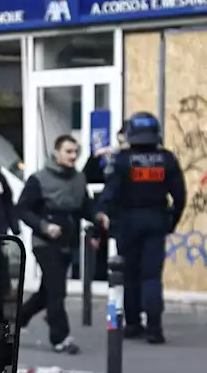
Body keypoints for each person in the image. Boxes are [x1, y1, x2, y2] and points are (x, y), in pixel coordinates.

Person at [16, 135, 108, 355]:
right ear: (56, 153)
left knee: (48, 290)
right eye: (68, 152)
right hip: (44, 243)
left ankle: (17, 319)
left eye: (75, 152)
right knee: (57, 290)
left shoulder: (78, 179)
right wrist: (44, 226)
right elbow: (22, 209)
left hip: (69, 241)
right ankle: (61, 338)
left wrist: (97, 217)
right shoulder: (39, 179)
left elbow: (85, 206)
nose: (73, 156)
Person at [101, 113, 186, 344]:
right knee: (151, 276)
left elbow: (109, 196)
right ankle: (155, 328)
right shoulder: (166, 159)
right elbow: (180, 196)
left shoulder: (121, 160)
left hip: (129, 221)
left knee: (129, 274)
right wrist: (171, 221)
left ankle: (133, 324)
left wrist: (114, 222)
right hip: (156, 219)